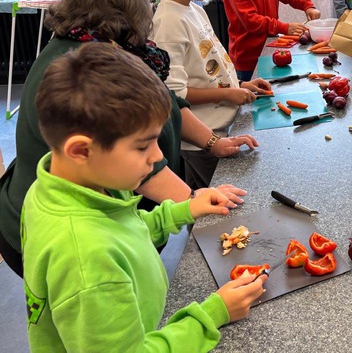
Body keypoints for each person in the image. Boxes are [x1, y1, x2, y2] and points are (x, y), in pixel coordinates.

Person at [0, 0, 254, 277]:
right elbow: (126, 154)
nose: (150, 9)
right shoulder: (86, 66)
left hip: (111, 223)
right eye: (145, 2)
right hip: (64, 238)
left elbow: (167, 102)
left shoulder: (108, 47)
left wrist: (213, 142)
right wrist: (190, 200)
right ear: (125, 11)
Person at [22, 44, 267, 351]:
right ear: (81, 150)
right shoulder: (87, 261)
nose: (158, 156)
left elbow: (125, 229)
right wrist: (213, 313)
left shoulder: (62, 187)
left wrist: (183, 210)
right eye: (142, 146)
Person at [140, 0, 271, 189]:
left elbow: (206, 69)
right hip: (202, 139)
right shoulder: (168, 22)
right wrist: (227, 94)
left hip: (221, 127)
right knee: (217, 205)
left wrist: (239, 86)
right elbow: (174, 96)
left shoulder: (195, 9)